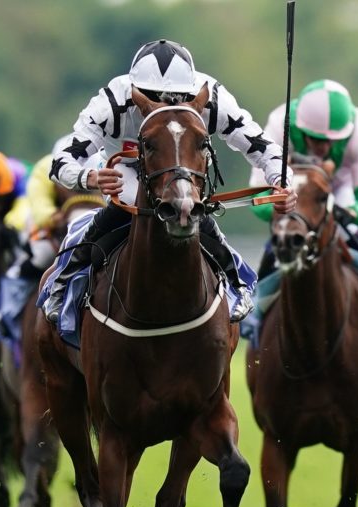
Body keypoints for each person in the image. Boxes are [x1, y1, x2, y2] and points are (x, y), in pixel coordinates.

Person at [43, 39, 296, 324]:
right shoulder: (112, 101)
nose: (167, 105)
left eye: (178, 98)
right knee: (125, 203)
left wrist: (283, 181)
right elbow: (59, 162)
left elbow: (262, 147)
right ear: (135, 90)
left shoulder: (213, 97)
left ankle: (237, 281)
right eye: (153, 96)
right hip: (128, 170)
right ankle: (63, 282)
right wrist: (90, 177)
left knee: (190, 205)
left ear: (192, 91)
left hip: (186, 171)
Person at [248, 78, 358, 324]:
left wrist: (352, 212)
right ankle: (251, 310)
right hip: (292, 191)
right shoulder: (279, 123)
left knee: (351, 235)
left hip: (340, 189)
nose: (323, 147)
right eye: (315, 139)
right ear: (300, 128)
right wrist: (277, 205)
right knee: (284, 238)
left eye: (331, 140)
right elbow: (258, 195)